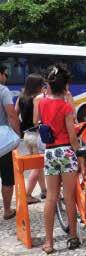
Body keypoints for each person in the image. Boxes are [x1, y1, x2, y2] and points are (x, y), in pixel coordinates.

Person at [35, 64, 81, 253]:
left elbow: (36, 121)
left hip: (50, 152)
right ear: (65, 86)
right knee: (69, 197)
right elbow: (72, 135)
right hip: (66, 151)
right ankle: (73, 236)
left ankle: (49, 242)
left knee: (51, 197)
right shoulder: (65, 106)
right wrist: (78, 150)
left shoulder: (42, 102)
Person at [15, 74, 47, 204]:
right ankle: (27, 194)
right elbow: (40, 119)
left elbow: (15, 114)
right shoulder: (38, 99)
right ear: (38, 86)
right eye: (42, 85)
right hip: (37, 135)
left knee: (37, 164)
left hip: (27, 136)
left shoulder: (21, 97)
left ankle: (44, 190)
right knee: (37, 167)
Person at [0, 65, 21, 220]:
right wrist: (17, 135)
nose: (6, 77)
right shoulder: (3, 91)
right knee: (7, 176)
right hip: (3, 141)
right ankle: (7, 210)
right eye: (5, 74)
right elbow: (12, 115)